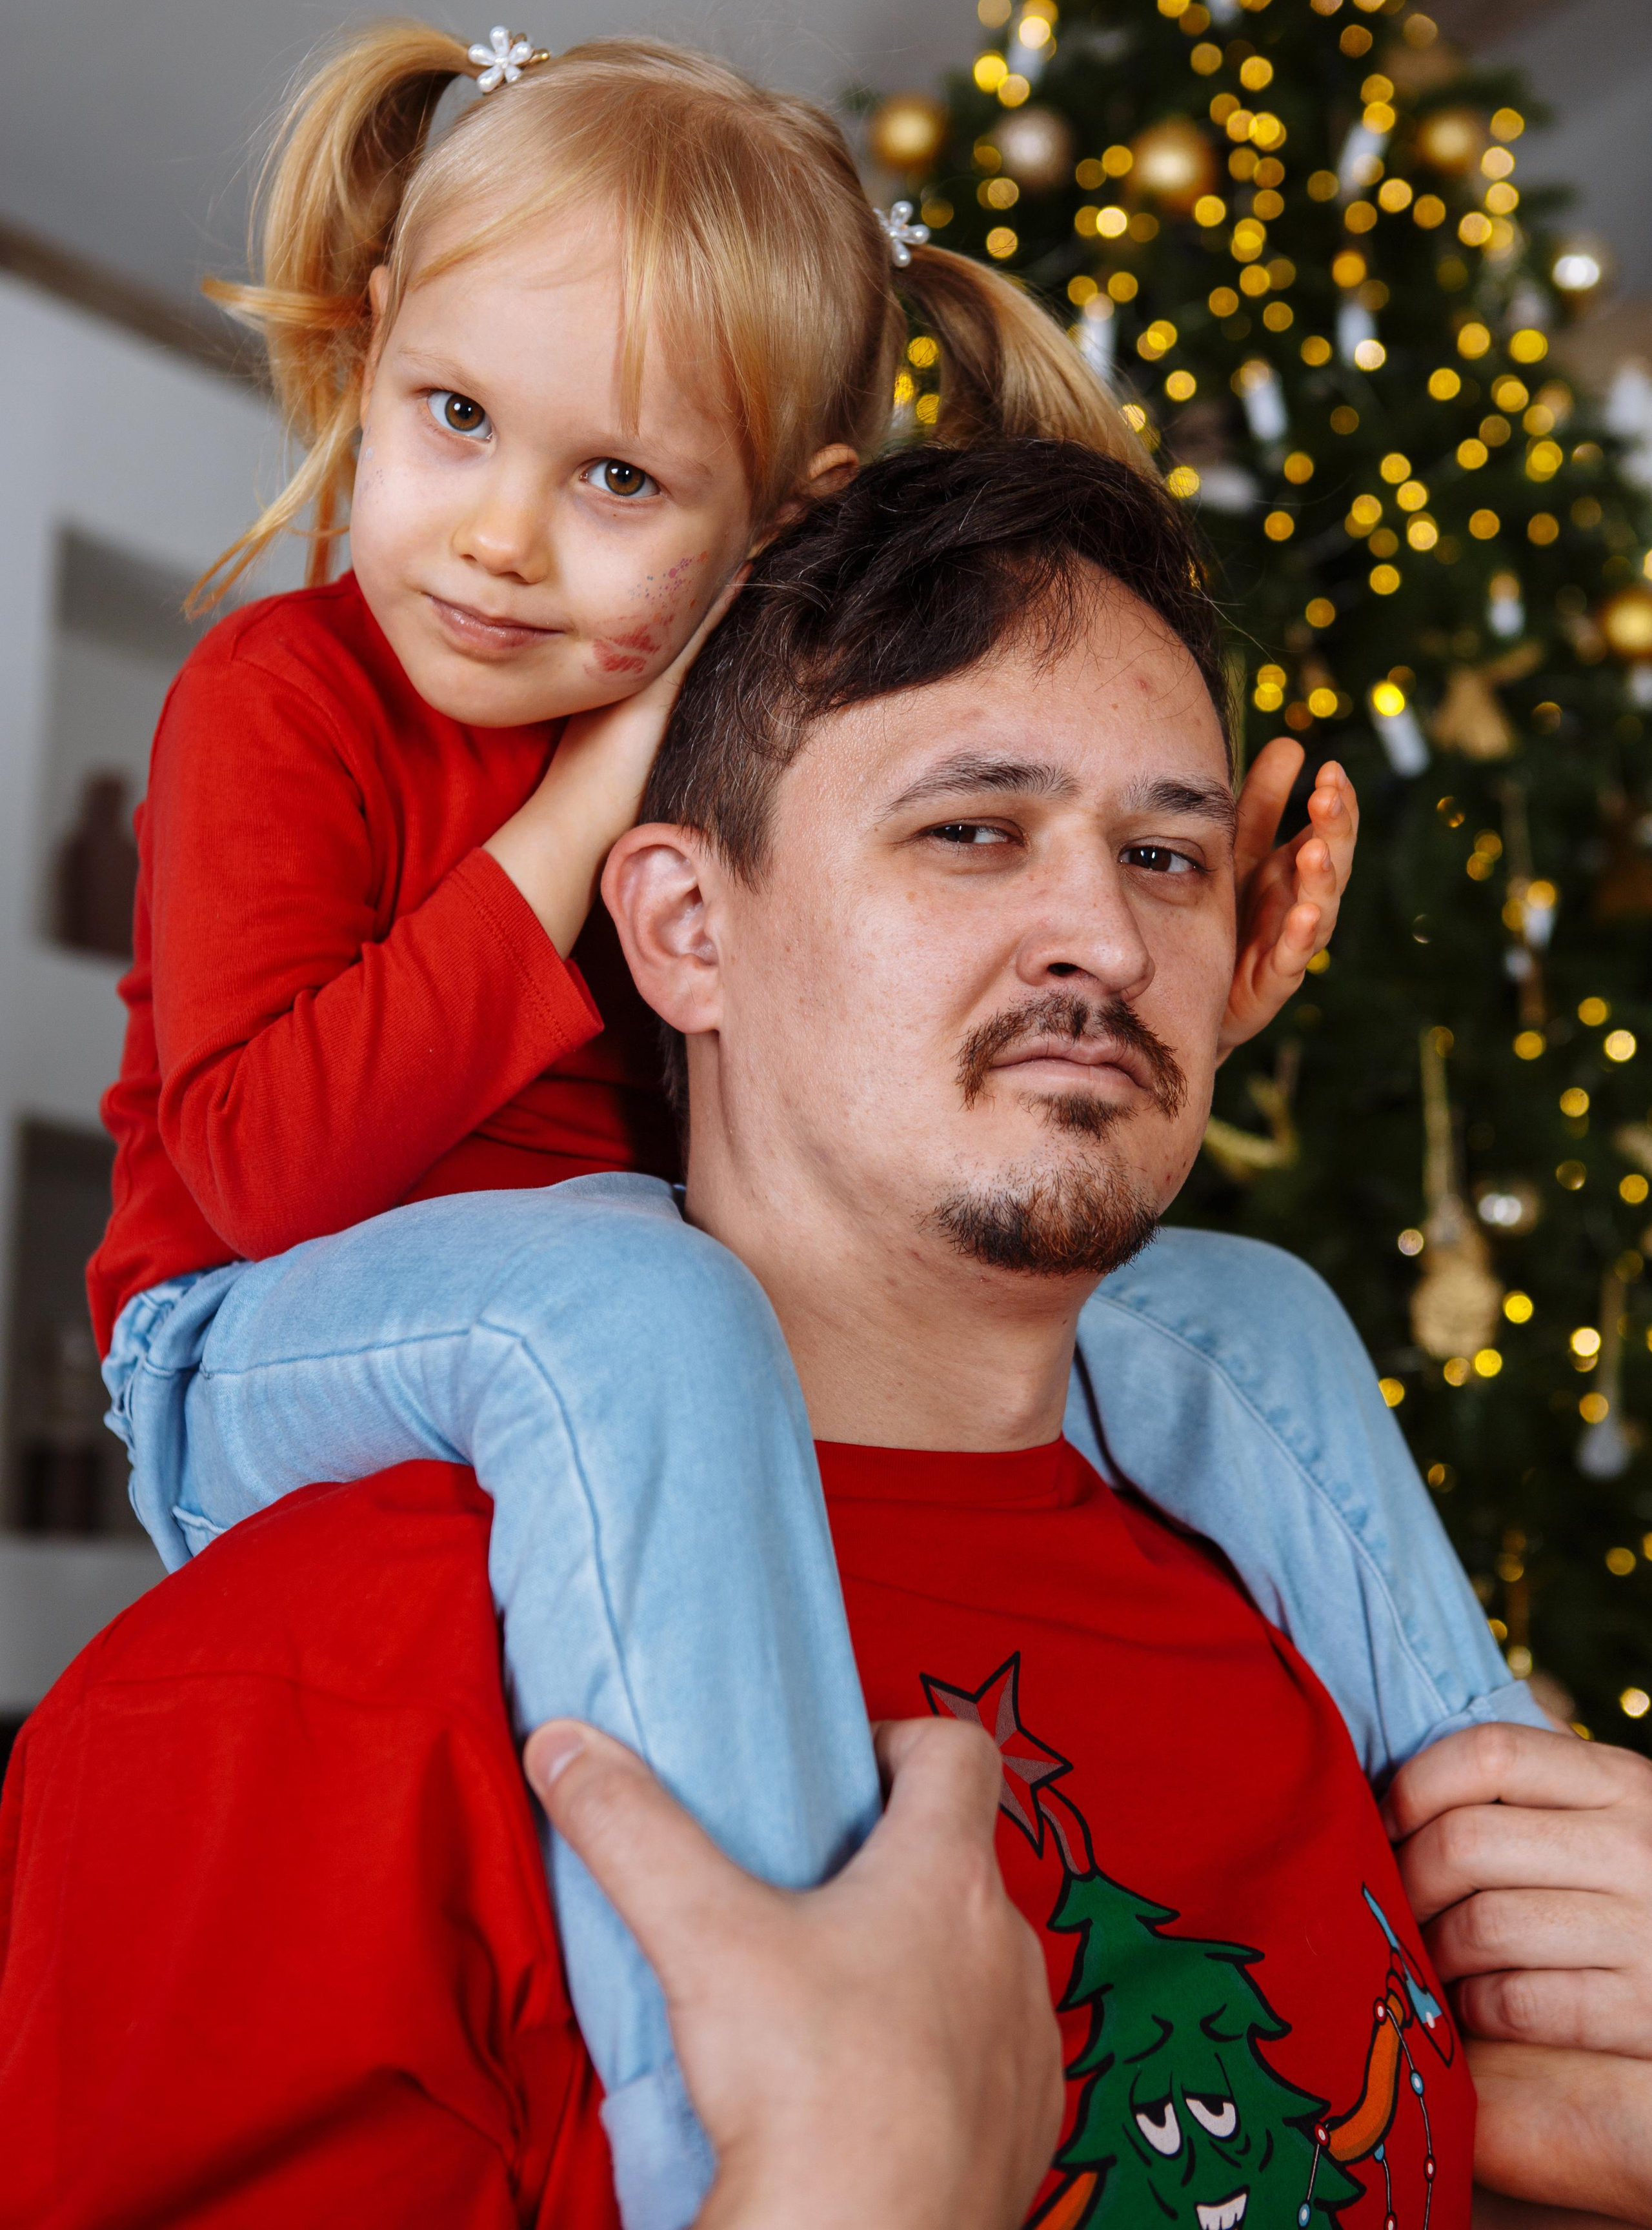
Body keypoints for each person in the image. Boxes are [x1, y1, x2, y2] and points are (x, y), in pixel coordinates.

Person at [14, 438, 1648, 2226]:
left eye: (1168, 855)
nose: (1103, 932)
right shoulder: (301, 1689)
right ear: (686, 929)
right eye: (972, 831)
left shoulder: (1305, 1608)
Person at [89, 19, 1364, 2222]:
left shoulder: (718, 798)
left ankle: (1518, 1871)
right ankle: (758, 2082)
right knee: (633, 1292)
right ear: (375, 352)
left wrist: (1132, 1004)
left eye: (616, 482)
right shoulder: (291, 697)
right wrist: (593, 803)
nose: (497, 538)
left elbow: (813, 1092)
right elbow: (265, 1179)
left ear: (768, 524)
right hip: (242, 1331)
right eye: (458, 420)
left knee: (1246, 1310)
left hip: (584, 1323)